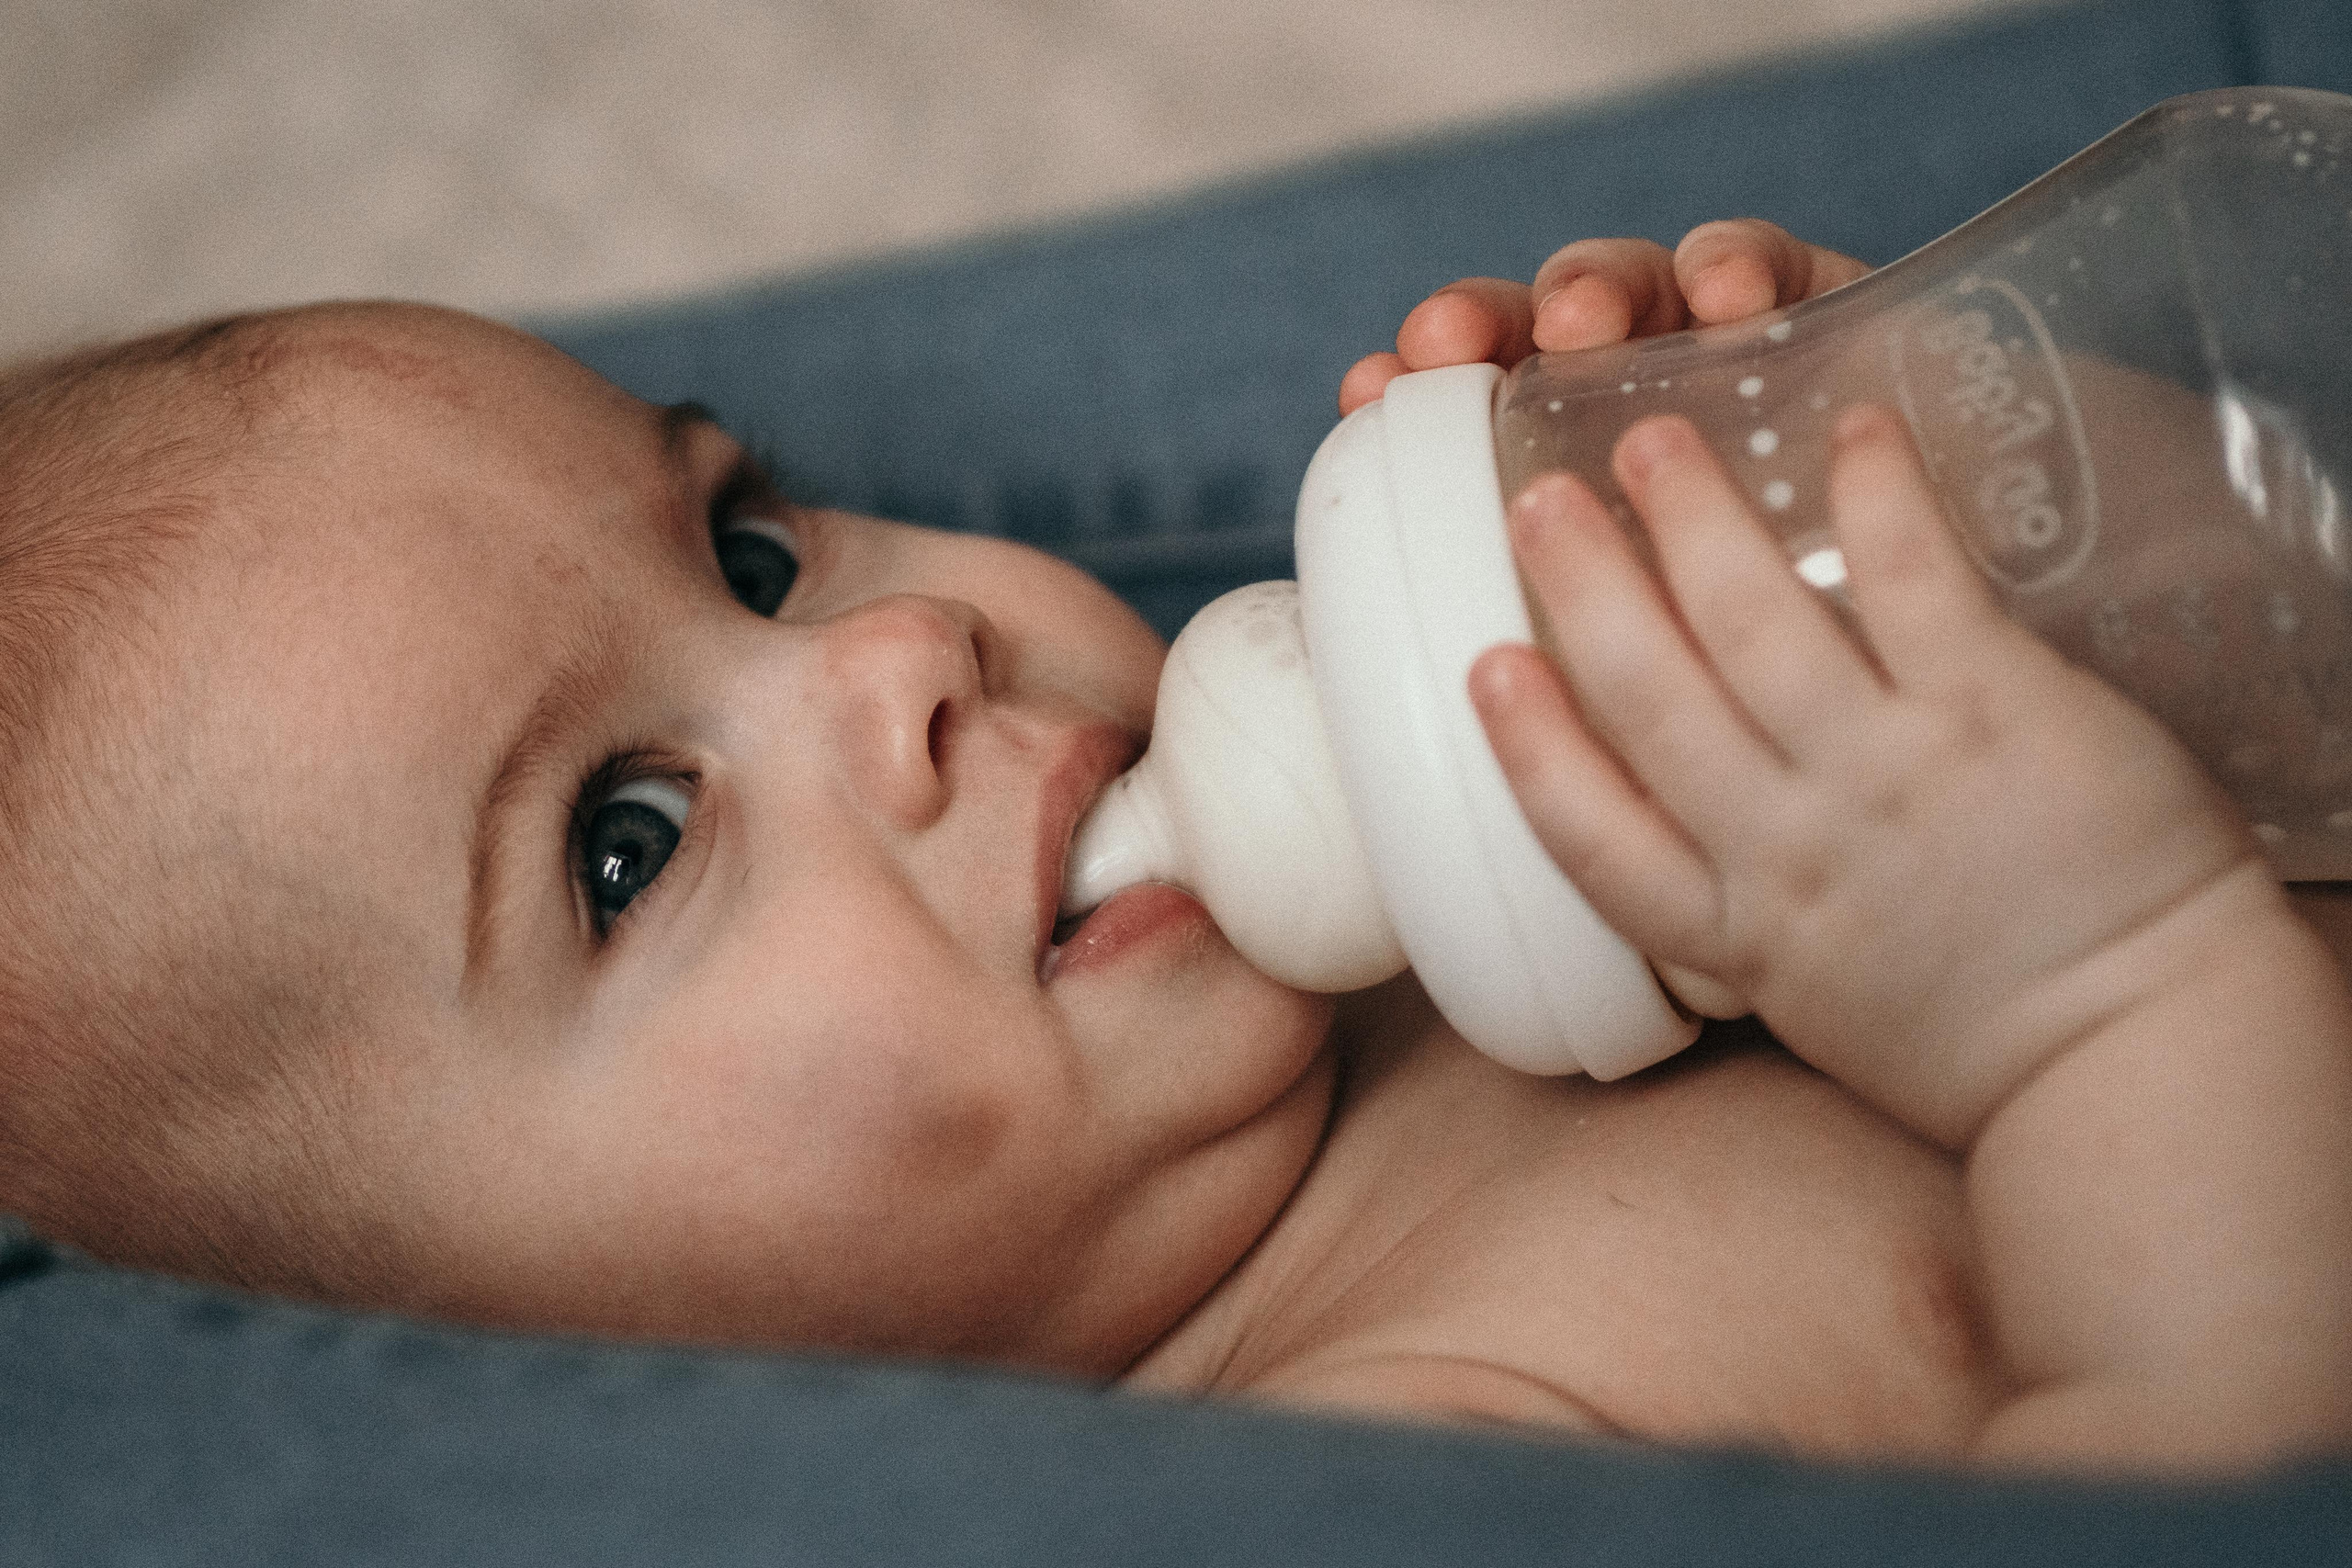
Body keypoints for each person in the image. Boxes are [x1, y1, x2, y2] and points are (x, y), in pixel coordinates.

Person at [0, 218, 2343, 1476]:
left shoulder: (1469, 873)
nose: (899, 640)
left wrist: (1899, 456)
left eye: (744, 551)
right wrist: (2094, 1003)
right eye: (626, 843)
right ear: (511, 1364)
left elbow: (2279, 628)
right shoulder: (1400, 1434)